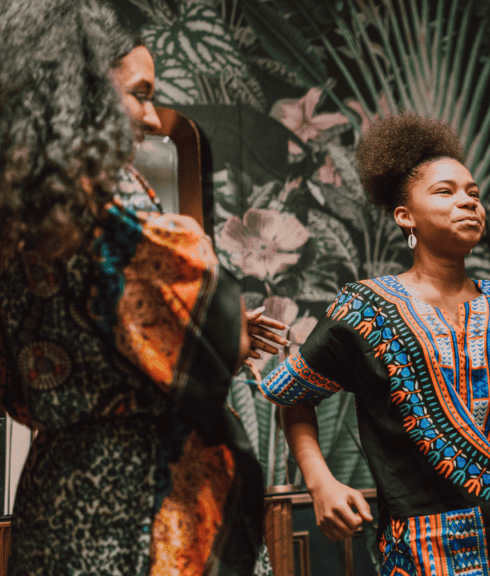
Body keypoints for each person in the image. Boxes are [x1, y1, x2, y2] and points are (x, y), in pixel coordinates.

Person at [0, 1, 286, 573]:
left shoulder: (18, 219)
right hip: (142, 503)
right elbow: (211, 334)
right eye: (142, 93)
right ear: (85, 90)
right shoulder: (110, 207)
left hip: (52, 499)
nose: (154, 119)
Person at [260, 112, 490, 574]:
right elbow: (294, 396)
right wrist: (319, 481)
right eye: (445, 192)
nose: (468, 202)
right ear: (405, 216)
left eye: (473, 193)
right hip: (423, 555)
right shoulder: (365, 307)